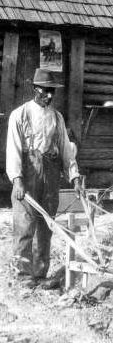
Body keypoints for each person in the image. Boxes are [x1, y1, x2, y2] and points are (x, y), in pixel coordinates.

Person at [6, 68, 84, 286]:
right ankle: (23, 276)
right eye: (45, 91)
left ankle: (40, 273)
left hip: (50, 173)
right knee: (24, 225)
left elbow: (66, 149)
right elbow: (13, 149)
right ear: (34, 89)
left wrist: (74, 177)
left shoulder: (57, 117)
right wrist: (17, 179)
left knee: (46, 225)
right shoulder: (19, 115)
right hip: (28, 173)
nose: (49, 95)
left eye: (52, 91)